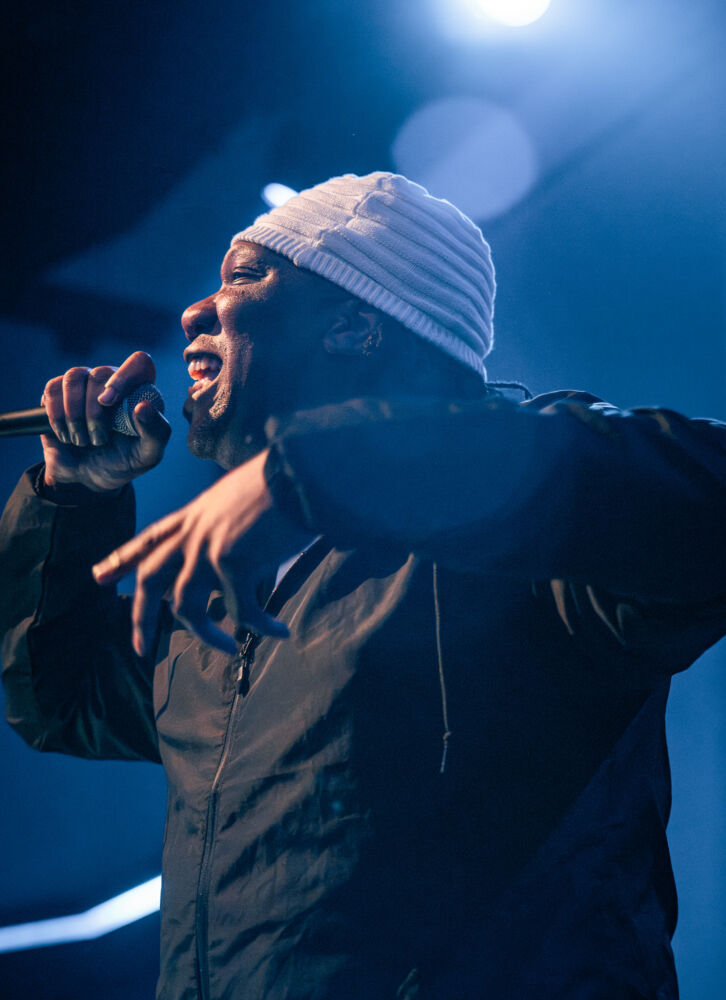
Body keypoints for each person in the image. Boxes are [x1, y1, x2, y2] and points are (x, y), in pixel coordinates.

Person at [2, 172, 726, 1000]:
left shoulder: (522, 529)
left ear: (354, 324)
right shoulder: (230, 595)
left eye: (244, 276)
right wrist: (73, 498)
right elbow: (61, 701)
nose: (194, 312)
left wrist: (313, 471)